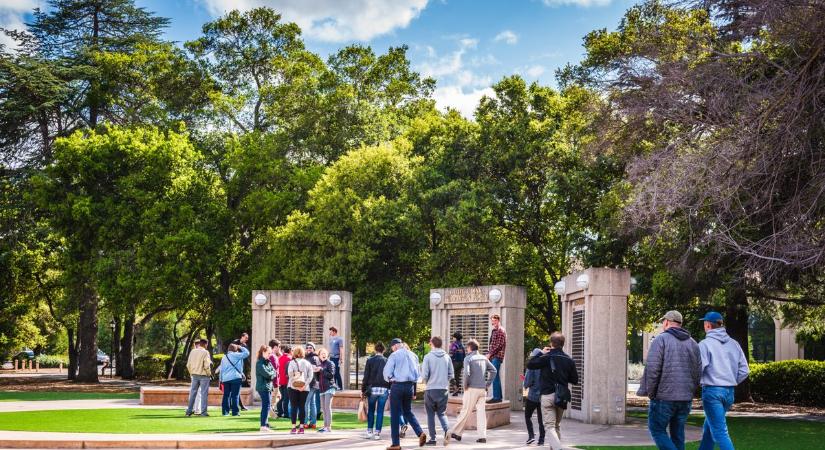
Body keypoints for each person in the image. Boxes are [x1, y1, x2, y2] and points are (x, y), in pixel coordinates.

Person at [637, 310, 701, 450]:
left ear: (666, 322)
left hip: (664, 397)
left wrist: (651, 393)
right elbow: (698, 373)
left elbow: (653, 370)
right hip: (685, 398)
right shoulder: (693, 344)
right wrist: (690, 392)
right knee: (678, 433)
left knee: (656, 429)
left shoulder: (661, 340)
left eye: (662, 322)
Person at [697, 311, 749, 450]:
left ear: (708, 325)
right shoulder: (734, 344)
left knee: (720, 432)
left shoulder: (705, 344)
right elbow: (745, 370)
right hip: (729, 393)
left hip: (712, 392)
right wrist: (730, 380)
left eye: (704, 323)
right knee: (709, 428)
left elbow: (699, 369)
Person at [526, 332, 578, 450]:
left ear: (551, 343)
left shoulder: (546, 357)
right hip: (561, 397)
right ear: (562, 344)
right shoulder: (569, 360)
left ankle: (557, 448)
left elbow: (529, 364)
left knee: (549, 426)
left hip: (547, 395)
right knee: (556, 426)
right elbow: (575, 380)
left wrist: (541, 352)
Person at [446, 338, 496, 445]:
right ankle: (482, 437)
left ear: (469, 348)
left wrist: (465, 386)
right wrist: (487, 384)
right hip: (482, 390)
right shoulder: (484, 358)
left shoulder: (468, 358)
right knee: (481, 413)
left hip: (471, 389)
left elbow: (466, 373)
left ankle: (456, 432)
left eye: (467, 348)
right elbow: (494, 371)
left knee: (465, 411)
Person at [383, 338, 427, 450]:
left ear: (395, 346)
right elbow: (418, 374)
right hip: (409, 386)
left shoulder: (394, 355)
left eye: (392, 348)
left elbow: (387, 372)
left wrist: (391, 379)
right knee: (407, 411)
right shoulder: (414, 355)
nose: (392, 350)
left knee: (395, 414)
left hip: (397, 386)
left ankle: (395, 444)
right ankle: (420, 432)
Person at [421, 336, 454, 446]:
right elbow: (451, 374)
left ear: (432, 344)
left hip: (431, 389)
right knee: (441, 413)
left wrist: (426, 381)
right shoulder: (447, 357)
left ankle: (433, 439)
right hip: (443, 389)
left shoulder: (428, 357)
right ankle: (447, 430)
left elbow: (424, 374)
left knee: (430, 414)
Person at [362, 341, 390, 440]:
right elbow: (389, 376)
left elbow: (366, 376)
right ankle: (377, 433)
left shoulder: (370, 360)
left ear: (375, 350)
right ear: (384, 350)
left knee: (371, 410)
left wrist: (363, 390)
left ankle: (369, 431)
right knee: (380, 412)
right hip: (384, 389)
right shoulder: (387, 360)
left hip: (372, 389)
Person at [287, 345, 314, 434]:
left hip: (292, 387)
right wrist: (304, 385)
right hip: (305, 388)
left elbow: (290, 375)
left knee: (294, 407)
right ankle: (302, 427)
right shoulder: (307, 363)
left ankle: (294, 427)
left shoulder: (292, 363)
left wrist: (295, 386)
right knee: (302, 407)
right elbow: (310, 376)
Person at [219, 343, 249, 416]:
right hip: (235, 377)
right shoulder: (236, 355)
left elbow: (221, 369)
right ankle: (235, 412)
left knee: (226, 395)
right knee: (235, 395)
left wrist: (221, 380)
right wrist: (241, 347)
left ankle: (225, 412)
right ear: (235, 349)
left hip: (226, 379)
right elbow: (247, 353)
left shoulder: (224, 357)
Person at [523, 348, 545, 445]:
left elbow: (528, 381)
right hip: (543, 395)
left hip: (532, 396)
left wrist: (525, 384)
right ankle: (541, 440)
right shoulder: (545, 364)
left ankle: (531, 435)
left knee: (528, 416)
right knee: (541, 419)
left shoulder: (531, 365)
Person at [185, 338, 212, 417]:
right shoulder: (206, 352)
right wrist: (209, 374)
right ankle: (203, 412)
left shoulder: (192, 351)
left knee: (193, 393)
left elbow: (188, 365)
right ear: (205, 344)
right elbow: (207, 365)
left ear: (199, 344)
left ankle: (189, 411)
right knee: (204, 394)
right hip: (204, 375)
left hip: (194, 375)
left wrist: (191, 373)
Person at [255, 344, 276, 432]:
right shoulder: (260, 363)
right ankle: (263, 425)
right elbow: (268, 374)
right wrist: (271, 374)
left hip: (268, 387)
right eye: (268, 353)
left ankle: (265, 424)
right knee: (266, 406)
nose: (269, 355)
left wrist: (271, 374)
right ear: (263, 352)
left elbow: (274, 372)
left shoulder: (268, 362)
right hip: (263, 387)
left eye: (270, 353)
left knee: (267, 406)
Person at [316, 347, 337, 433]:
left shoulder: (330, 363)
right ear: (319, 356)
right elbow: (318, 378)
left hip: (329, 387)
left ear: (327, 355)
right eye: (322, 354)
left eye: (325, 353)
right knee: (323, 408)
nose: (323, 355)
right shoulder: (320, 364)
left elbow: (331, 375)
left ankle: (329, 427)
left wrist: (321, 370)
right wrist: (316, 371)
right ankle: (325, 426)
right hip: (322, 389)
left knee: (327, 407)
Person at [487, 314, 506, 404]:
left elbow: (499, 345)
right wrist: (489, 353)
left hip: (497, 356)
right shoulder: (494, 331)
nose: (493, 322)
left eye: (494, 320)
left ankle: (496, 397)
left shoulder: (501, 331)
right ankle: (498, 396)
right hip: (493, 356)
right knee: (496, 375)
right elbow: (492, 344)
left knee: (494, 375)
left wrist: (490, 354)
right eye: (492, 321)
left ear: (498, 320)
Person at [231, 332, 251, 411]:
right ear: (242, 337)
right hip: (234, 368)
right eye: (246, 338)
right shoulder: (235, 342)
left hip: (240, 368)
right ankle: (239, 406)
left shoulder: (245, 346)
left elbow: (246, 355)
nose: (247, 339)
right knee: (235, 390)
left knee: (236, 390)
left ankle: (237, 406)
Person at [304, 342, 321, 429]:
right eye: (307, 347)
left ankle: (305, 422)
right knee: (312, 403)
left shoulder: (314, 358)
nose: (308, 349)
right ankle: (313, 423)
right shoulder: (308, 357)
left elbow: (315, 369)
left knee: (306, 403)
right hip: (313, 383)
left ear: (314, 349)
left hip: (311, 383)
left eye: (310, 347)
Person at [276, 345, 292, 418]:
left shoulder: (279, 358)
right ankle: (286, 413)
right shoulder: (289, 358)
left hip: (280, 380)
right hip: (286, 380)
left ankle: (279, 412)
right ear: (290, 351)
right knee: (286, 398)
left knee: (281, 397)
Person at [448, 332, 465, 397]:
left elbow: (451, 354)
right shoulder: (462, 345)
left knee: (450, 376)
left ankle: (455, 388)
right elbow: (464, 355)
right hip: (460, 363)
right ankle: (456, 392)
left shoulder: (453, 344)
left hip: (454, 363)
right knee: (457, 377)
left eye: (453, 337)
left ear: (455, 338)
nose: (452, 338)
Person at [267, 339, 281, 419]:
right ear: (275, 347)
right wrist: (274, 382)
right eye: (278, 347)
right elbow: (274, 370)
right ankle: (271, 412)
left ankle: (271, 411)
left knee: (278, 396)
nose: (279, 348)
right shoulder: (272, 356)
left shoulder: (272, 356)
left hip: (275, 381)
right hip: (274, 382)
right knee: (275, 397)